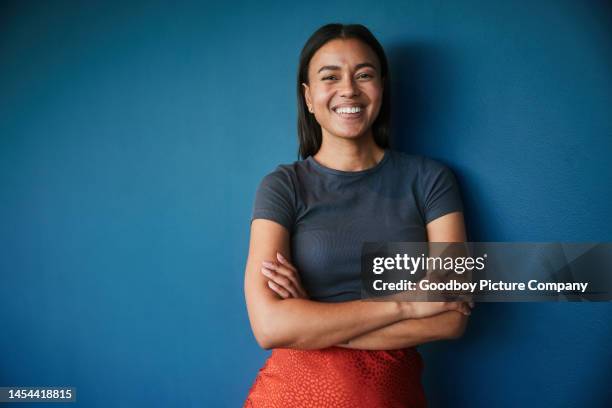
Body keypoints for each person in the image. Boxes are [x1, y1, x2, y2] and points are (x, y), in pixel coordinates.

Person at [243, 23, 473, 407]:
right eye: (330, 77)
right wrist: (409, 304)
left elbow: (452, 317)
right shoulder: (282, 185)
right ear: (309, 97)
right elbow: (269, 328)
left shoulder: (431, 180)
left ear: (381, 87)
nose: (348, 89)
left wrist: (312, 320)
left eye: (363, 75)